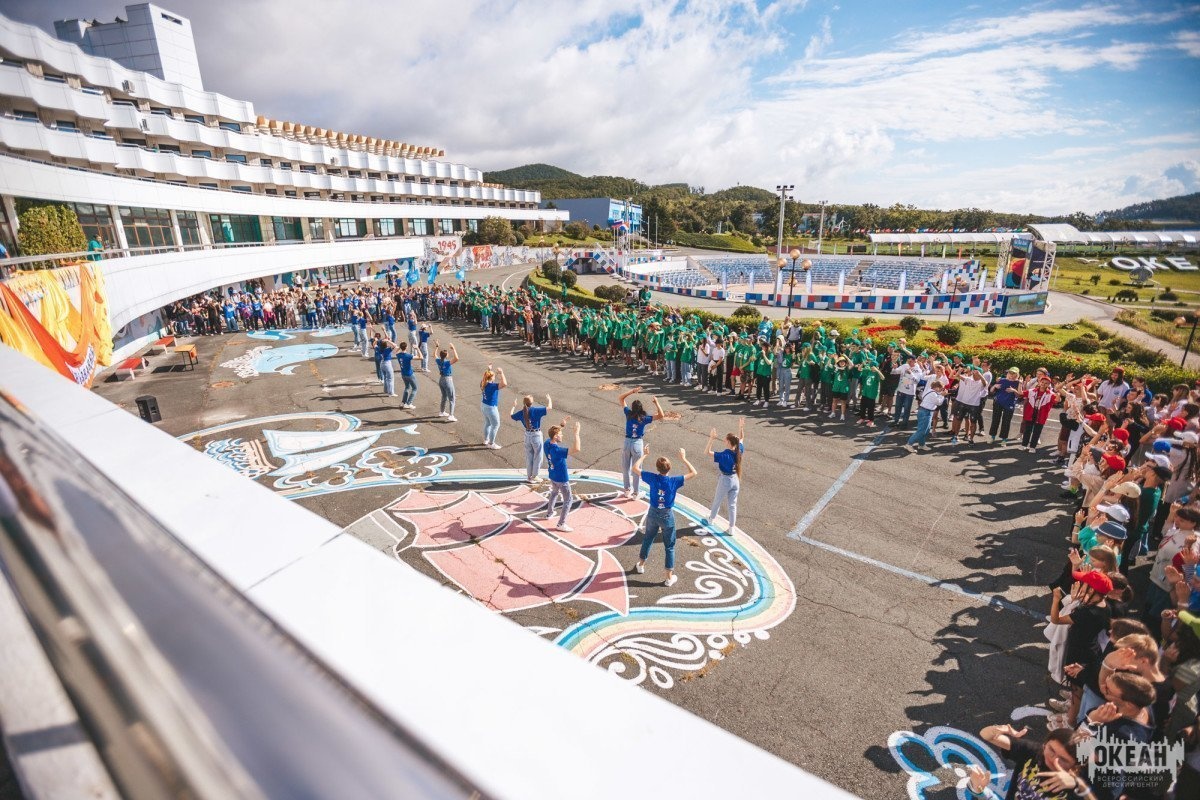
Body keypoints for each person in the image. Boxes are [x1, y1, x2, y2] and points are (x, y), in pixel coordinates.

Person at [632, 447, 698, 587]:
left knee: (648, 538)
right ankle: (668, 578)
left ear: (657, 468)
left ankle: (641, 564)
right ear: (669, 468)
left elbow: (635, 468)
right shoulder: (674, 481)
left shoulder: (652, 478)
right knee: (669, 546)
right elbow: (694, 472)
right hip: (667, 515)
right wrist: (684, 458)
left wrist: (644, 455)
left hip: (653, 512)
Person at [617, 386, 666, 499]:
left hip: (627, 442)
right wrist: (656, 403)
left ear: (632, 408)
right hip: (637, 443)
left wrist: (632, 391)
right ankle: (635, 493)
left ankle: (627, 489)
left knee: (625, 468)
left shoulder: (628, 414)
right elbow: (661, 415)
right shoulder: (644, 418)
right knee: (637, 468)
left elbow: (621, 398)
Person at [704, 417, 745, 534]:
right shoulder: (739, 451)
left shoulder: (724, 455)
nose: (724, 440)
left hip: (725, 480)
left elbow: (707, 452)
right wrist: (740, 427)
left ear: (728, 442)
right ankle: (731, 528)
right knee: (732, 505)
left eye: (725, 439)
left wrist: (711, 438)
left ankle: (711, 519)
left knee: (717, 500)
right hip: (735, 479)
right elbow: (742, 438)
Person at [542, 420, 581, 532]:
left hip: (552, 475)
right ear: (555, 436)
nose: (562, 435)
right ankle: (561, 524)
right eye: (560, 434)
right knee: (568, 499)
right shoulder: (557, 450)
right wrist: (576, 433)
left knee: (554, 493)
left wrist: (561, 426)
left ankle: (549, 513)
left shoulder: (547, 443)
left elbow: (552, 433)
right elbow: (577, 449)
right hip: (561, 478)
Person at [511, 393, 553, 483]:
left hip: (527, 435)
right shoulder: (535, 410)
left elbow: (511, 416)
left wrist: (513, 406)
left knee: (529, 456)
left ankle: (529, 476)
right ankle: (535, 476)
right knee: (538, 456)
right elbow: (549, 407)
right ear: (532, 402)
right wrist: (549, 399)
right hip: (536, 435)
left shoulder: (521, 412)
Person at [905, 380, 947, 453]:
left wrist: (941, 394)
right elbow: (939, 403)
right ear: (937, 387)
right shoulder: (933, 394)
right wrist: (943, 395)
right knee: (921, 431)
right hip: (925, 412)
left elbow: (937, 397)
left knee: (926, 430)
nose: (942, 390)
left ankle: (921, 444)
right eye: (941, 388)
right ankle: (909, 444)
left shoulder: (929, 391)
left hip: (925, 412)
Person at [480, 365, 507, 449]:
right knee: (495, 425)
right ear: (492, 378)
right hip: (491, 408)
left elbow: (485, 376)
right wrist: (501, 373)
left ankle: (486, 440)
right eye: (494, 376)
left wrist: (488, 370)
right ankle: (491, 444)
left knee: (488, 423)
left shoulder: (483, 383)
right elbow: (504, 384)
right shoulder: (492, 386)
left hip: (484, 405)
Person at [434, 341, 459, 421]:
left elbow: (434, 355)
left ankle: (442, 412)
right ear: (446, 355)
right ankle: (451, 415)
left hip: (441, 379)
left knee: (444, 396)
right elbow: (456, 358)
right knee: (452, 398)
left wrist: (437, 347)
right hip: (448, 380)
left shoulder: (438, 361)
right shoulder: (447, 363)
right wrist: (454, 349)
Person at [396, 341, 422, 409]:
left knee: (407, 387)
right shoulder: (408, 356)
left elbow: (396, 351)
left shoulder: (398, 355)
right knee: (415, 388)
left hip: (403, 374)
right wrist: (417, 348)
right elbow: (421, 357)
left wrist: (400, 347)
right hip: (410, 374)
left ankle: (403, 402)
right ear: (406, 347)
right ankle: (408, 403)